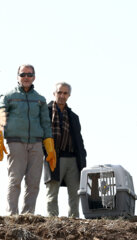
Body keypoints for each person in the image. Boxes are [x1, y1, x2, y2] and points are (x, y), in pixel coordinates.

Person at [0, 64, 56, 215]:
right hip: (16, 143)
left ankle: (28, 215)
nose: (26, 77)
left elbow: (46, 124)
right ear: (18, 77)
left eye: (29, 74)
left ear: (34, 77)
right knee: (15, 180)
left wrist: (49, 147)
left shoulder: (40, 100)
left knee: (33, 182)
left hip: (36, 144)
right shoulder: (8, 97)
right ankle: (12, 214)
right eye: (23, 75)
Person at [44, 82, 87, 218]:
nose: (62, 96)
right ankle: (52, 220)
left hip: (73, 159)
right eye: (59, 92)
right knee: (52, 191)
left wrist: (82, 157)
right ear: (54, 93)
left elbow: (79, 139)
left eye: (65, 93)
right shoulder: (45, 111)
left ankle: (74, 220)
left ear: (69, 95)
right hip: (53, 156)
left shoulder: (73, 116)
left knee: (75, 193)